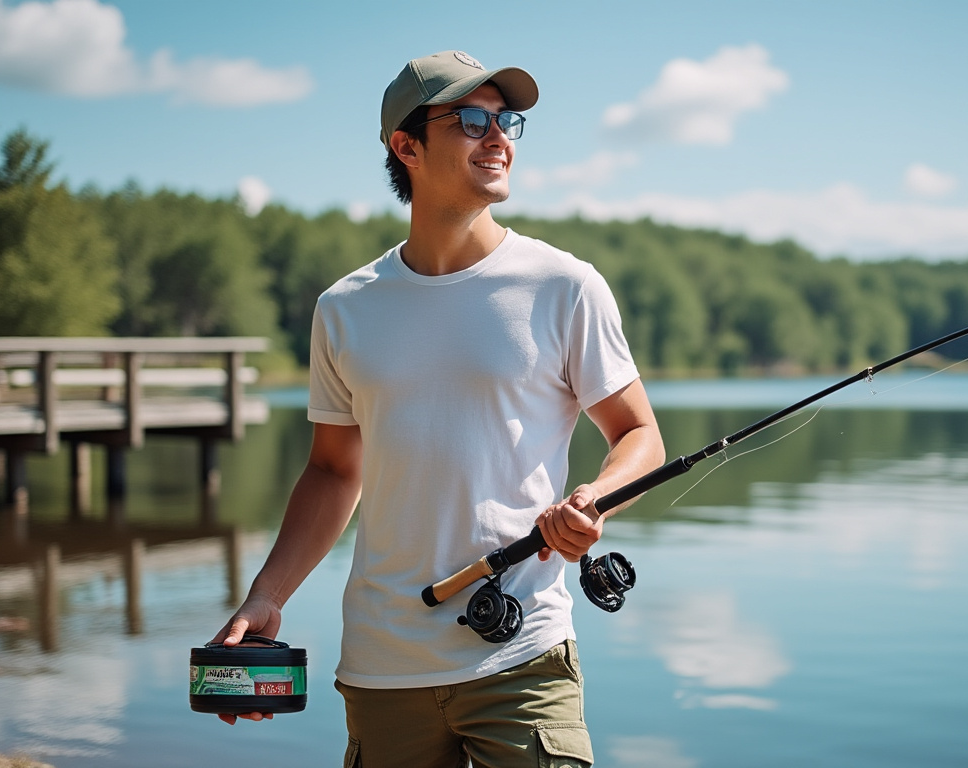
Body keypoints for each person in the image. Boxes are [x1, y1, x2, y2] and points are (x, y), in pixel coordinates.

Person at [211, 50, 665, 768]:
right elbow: (333, 473)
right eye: (472, 120)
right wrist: (269, 594)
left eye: (507, 119)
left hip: (523, 655)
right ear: (407, 146)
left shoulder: (565, 286)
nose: (499, 137)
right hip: (381, 667)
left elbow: (638, 433)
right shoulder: (345, 308)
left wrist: (593, 501)